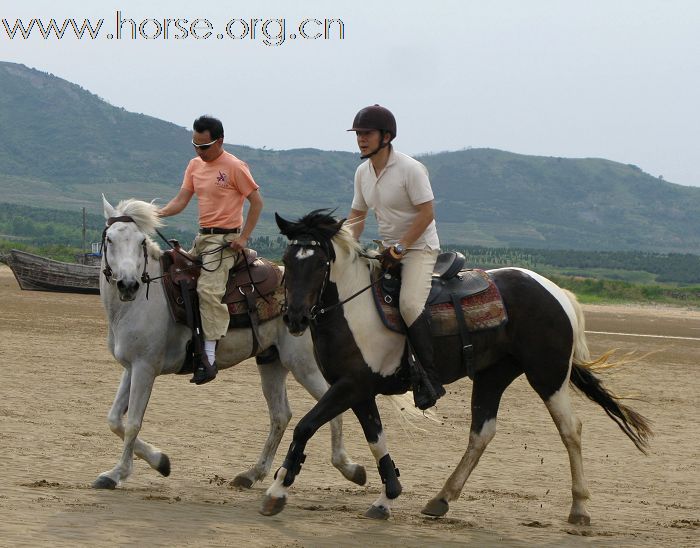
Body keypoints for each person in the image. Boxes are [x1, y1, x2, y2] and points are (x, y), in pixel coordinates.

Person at [346, 104, 446, 410]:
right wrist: (345, 245)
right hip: (385, 248)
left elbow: (427, 212)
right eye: (359, 134)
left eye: (367, 133)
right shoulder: (363, 172)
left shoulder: (410, 169)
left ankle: (429, 379)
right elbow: (357, 215)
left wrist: (401, 247)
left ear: (386, 136)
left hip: (418, 249)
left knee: (408, 304)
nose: (361, 139)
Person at [158, 115, 263, 385]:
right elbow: (181, 200)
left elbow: (256, 202)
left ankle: (209, 357)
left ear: (220, 141)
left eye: (204, 147)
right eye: (195, 145)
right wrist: (155, 213)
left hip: (225, 241)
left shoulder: (235, 166)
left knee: (207, 290)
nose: (199, 152)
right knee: (168, 270)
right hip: (201, 238)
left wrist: (244, 238)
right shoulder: (194, 165)